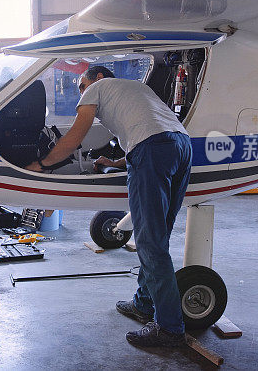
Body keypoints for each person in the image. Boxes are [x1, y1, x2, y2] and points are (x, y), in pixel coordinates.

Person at [26, 65, 192, 347]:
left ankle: (169, 329)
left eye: (82, 85)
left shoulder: (97, 88)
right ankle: (143, 304)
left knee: (151, 243)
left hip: (152, 149)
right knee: (157, 235)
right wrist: (117, 163)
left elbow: (75, 138)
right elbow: (151, 131)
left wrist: (41, 164)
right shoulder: (138, 88)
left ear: (98, 78)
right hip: (181, 145)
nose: (81, 92)